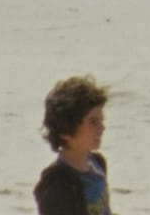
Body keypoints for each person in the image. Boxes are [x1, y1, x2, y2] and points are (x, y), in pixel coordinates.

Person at [35, 74, 113, 215]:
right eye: (93, 122)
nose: (102, 128)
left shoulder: (97, 163)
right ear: (66, 131)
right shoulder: (57, 183)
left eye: (102, 120)